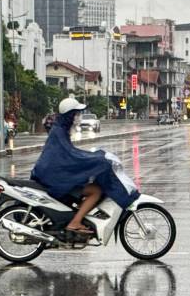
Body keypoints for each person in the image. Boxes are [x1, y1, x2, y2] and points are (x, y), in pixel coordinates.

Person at [31, 98, 139, 236]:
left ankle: (76, 217)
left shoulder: (61, 129)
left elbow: (71, 152)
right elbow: (70, 155)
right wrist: (95, 160)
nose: (78, 117)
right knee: (96, 191)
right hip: (55, 177)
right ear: (70, 115)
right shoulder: (58, 132)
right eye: (76, 114)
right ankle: (75, 222)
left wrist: (94, 157)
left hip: (55, 174)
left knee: (89, 182)